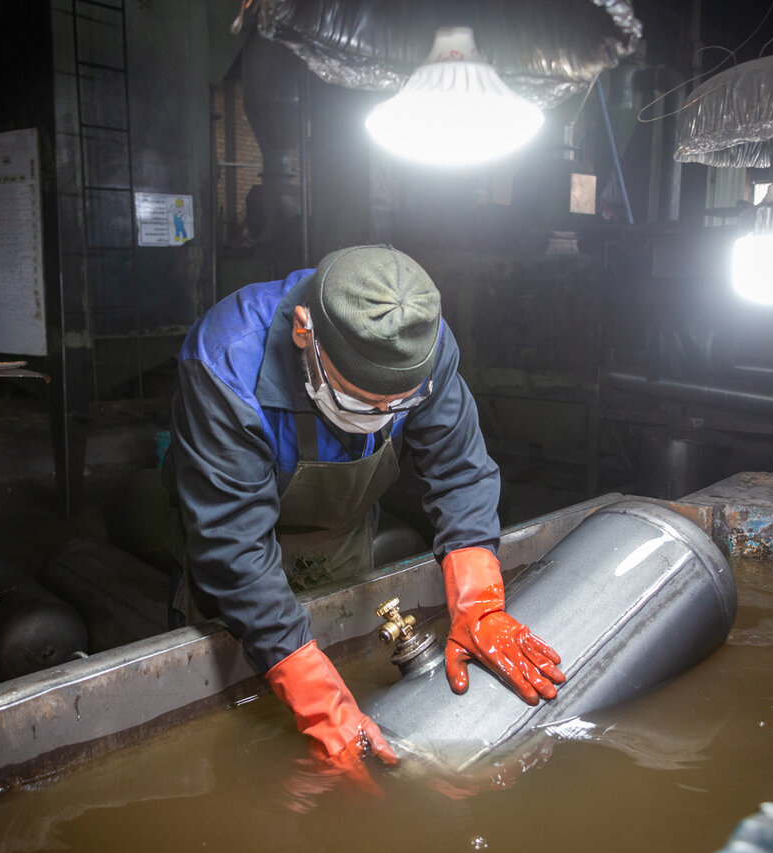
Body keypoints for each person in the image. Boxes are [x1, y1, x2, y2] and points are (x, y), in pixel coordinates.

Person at [166, 245, 564, 780]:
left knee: (350, 658)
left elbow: (460, 469)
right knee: (237, 723)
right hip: (232, 552)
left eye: (397, 405)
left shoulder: (424, 343)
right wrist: (316, 697)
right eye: (359, 402)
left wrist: (479, 604)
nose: (380, 420)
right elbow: (231, 545)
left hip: (341, 536)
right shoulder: (224, 362)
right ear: (304, 334)